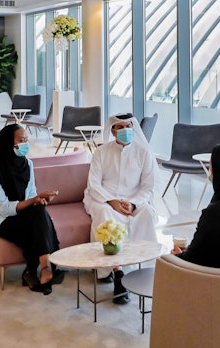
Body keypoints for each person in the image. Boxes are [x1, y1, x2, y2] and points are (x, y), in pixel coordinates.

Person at [0, 123, 62, 294]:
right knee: (37, 221)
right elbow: (2, 208)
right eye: (21, 140)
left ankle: (38, 269)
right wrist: (33, 201)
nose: (25, 144)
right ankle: (43, 268)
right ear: (8, 143)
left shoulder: (28, 165)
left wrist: (39, 200)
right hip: (0, 219)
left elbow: (31, 193)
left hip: (22, 212)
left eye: (27, 140)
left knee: (39, 212)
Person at [84, 113, 159, 303]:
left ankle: (145, 269)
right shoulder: (101, 152)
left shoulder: (144, 152)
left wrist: (134, 203)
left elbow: (149, 187)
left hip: (134, 201)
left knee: (148, 214)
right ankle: (117, 273)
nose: (126, 130)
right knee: (105, 216)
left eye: (128, 126)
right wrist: (112, 201)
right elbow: (93, 184)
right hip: (103, 199)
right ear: (113, 131)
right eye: (121, 127)